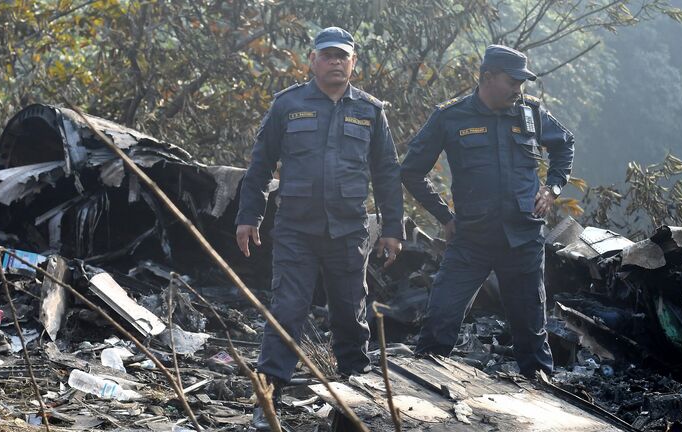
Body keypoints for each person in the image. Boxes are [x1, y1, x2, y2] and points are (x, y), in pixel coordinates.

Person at [235, 27, 403, 429]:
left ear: (353, 63)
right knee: (288, 310)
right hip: (296, 230)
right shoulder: (287, 105)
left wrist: (392, 227)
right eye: (327, 56)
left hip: (347, 232)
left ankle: (353, 403)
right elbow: (260, 166)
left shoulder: (370, 110)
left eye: (342, 56)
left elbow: (386, 174)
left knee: (349, 315)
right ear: (312, 60)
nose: (335, 62)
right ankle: (267, 401)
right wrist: (248, 217)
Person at [401, 45, 574, 377]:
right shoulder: (450, 116)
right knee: (439, 323)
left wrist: (551, 188)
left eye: (522, 82)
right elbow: (410, 171)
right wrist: (444, 216)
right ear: (487, 77)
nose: (518, 89)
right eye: (512, 81)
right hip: (471, 240)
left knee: (531, 336)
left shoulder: (531, 113)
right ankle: (417, 409)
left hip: (523, 240)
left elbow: (565, 143)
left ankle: (539, 404)